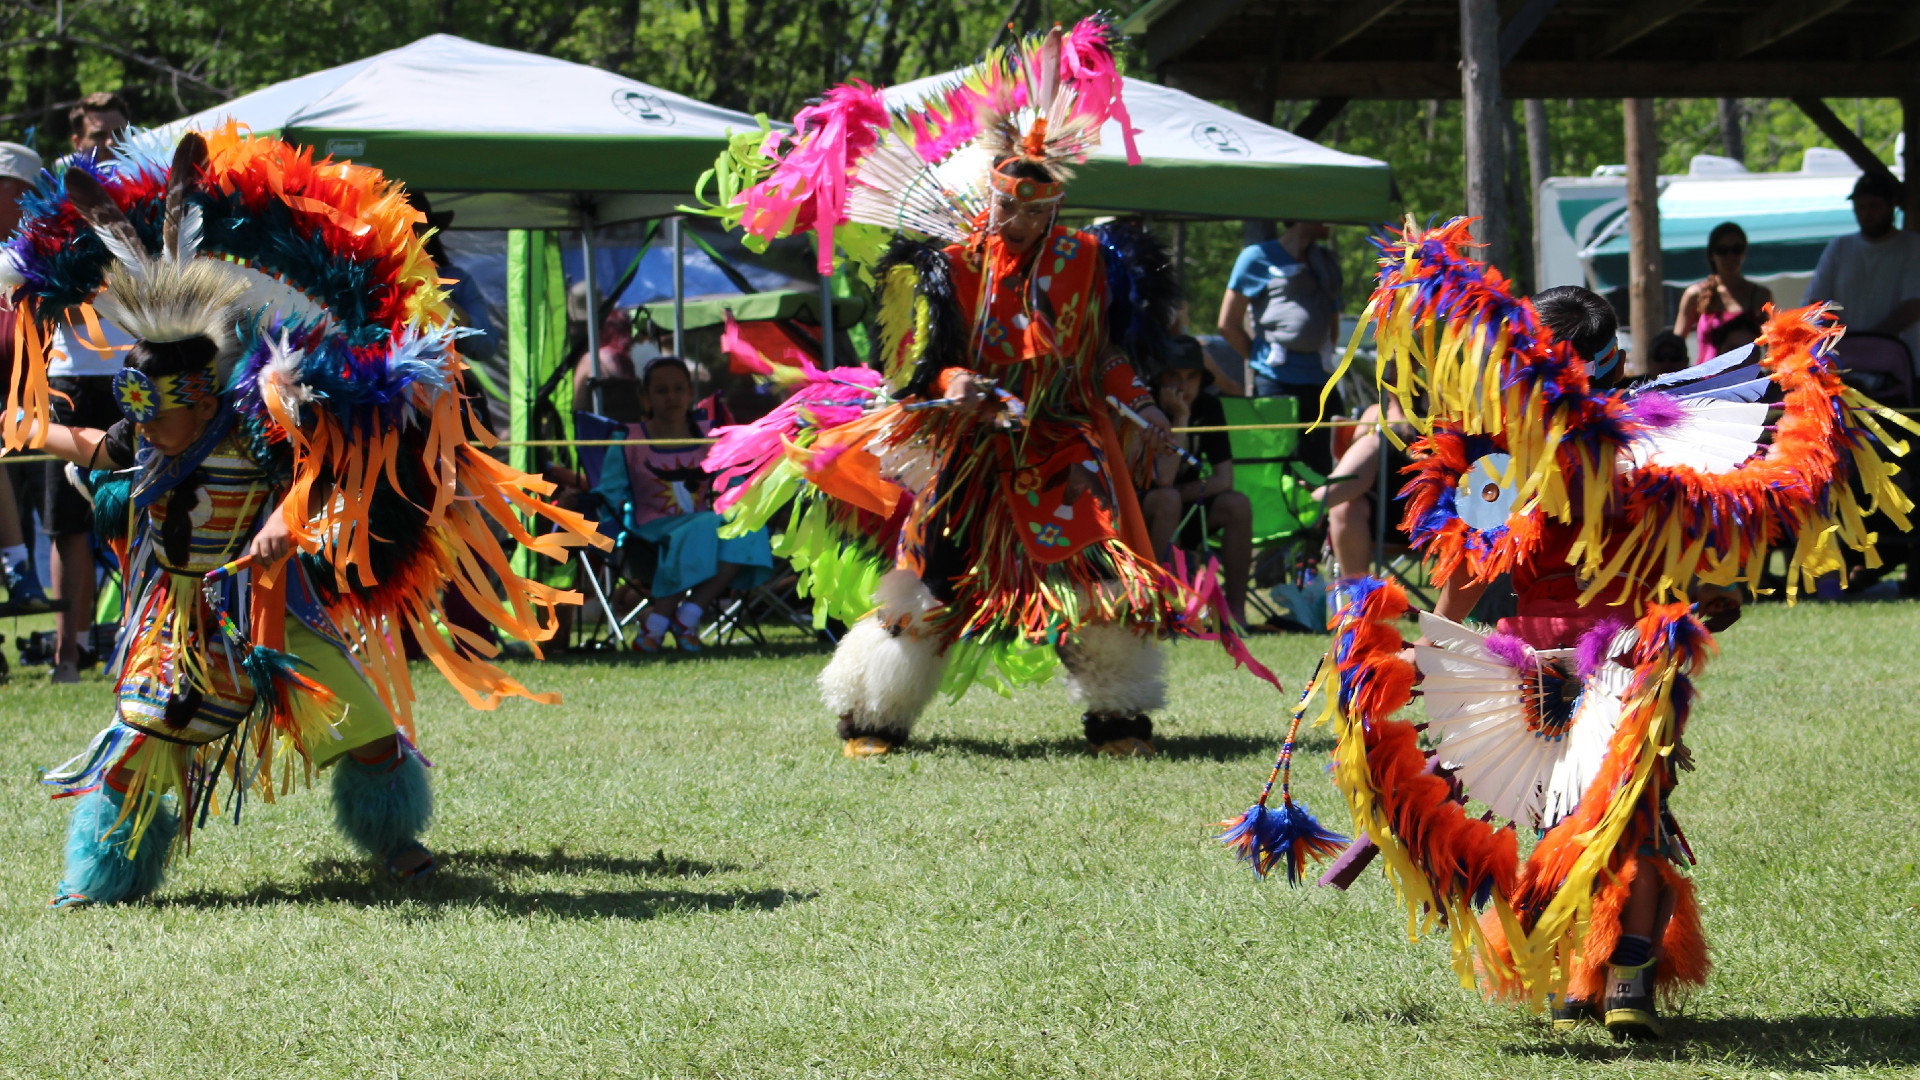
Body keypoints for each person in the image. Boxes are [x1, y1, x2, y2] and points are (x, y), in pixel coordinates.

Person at [1226, 221, 1907, 1043]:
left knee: (1567, 823)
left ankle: (1584, 980)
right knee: (1627, 820)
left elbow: (1465, 578)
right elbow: (1677, 554)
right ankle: (1618, 979)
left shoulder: (1497, 461)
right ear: (1608, 361)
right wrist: (1709, 597)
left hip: (1532, 670)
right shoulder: (1650, 445)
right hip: (1617, 661)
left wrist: (1428, 655)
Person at [1, 128, 605, 905]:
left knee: (365, 729)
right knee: (139, 746)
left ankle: (393, 838)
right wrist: (29, 426)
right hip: (174, 623)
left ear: (202, 396)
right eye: (135, 409)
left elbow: (327, 466)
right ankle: (104, 874)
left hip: (274, 614)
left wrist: (287, 519)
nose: (143, 424)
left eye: (156, 410)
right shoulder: (143, 442)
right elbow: (85, 445)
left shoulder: (258, 426)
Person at [700, 21, 1265, 759]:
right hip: (967, 456)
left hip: (1062, 449)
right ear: (991, 187)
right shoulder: (947, 267)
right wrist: (954, 378)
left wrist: (1148, 405)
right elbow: (912, 365)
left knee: (1094, 577)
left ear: (1058, 200)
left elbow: (1106, 359)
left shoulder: (1097, 264)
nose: (1021, 221)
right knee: (933, 580)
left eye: (1036, 209)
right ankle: (872, 715)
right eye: (1009, 205)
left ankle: (1119, 719)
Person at [592, 355, 772, 652]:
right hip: (649, 537)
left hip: (703, 529)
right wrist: (601, 535)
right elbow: (608, 494)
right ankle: (659, 621)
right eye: (661, 391)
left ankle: (686, 617)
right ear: (645, 398)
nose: (671, 397)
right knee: (707, 523)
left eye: (678, 389)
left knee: (744, 526)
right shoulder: (628, 440)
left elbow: (734, 482)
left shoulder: (709, 438)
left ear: (690, 394)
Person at [1138, 337, 1253, 626]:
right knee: (1167, 499)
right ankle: (1153, 605)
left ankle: (1235, 613)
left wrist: (1184, 491)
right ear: (1160, 378)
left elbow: (1224, 479)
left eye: (1192, 377)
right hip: (1143, 514)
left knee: (1237, 504)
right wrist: (1181, 416)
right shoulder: (1145, 406)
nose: (1183, 385)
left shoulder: (1210, 406)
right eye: (1174, 376)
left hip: (1187, 507)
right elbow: (1162, 480)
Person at [1217, 220, 1343, 473]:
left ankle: (1321, 514)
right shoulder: (1256, 257)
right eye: (1324, 210)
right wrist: (1259, 359)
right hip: (1275, 383)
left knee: (1325, 469)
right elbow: (1227, 325)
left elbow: (1333, 324)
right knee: (1274, 470)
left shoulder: (1327, 262)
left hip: (1321, 383)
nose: (1332, 219)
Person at [0, 140, 54, 613]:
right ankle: (18, 567)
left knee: (65, 524)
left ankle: (73, 647)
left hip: (46, 401)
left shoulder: (47, 254)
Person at [1804, 173, 1920, 365]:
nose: (1867, 214)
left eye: (1874, 206)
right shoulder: (1840, 247)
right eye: (1860, 207)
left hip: (1901, 365)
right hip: (1846, 365)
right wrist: (1840, 340)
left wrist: (1869, 341)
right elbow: (1816, 302)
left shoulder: (1913, 247)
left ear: (1891, 205)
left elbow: (1913, 306)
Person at [1674, 222, 1772, 363]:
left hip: (1746, 380)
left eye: (1736, 249)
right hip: (1706, 382)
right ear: (1712, 254)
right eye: (1722, 250)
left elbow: (1773, 347)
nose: (1730, 256)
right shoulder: (1695, 294)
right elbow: (1675, 345)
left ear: (1744, 253)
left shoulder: (1760, 295)